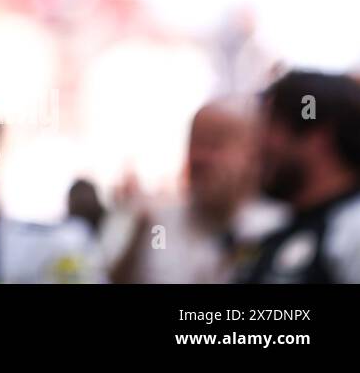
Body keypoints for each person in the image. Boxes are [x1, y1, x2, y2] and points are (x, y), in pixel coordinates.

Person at [106, 99, 286, 284]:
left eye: (215, 144)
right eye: (195, 143)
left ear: (253, 154)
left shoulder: (278, 230)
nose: (200, 157)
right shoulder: (158, 225)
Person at [238, 71, 360, 283]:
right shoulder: (269, 228)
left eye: (271, 126)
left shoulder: (351, 232)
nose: (258, 145)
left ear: (319, 137)